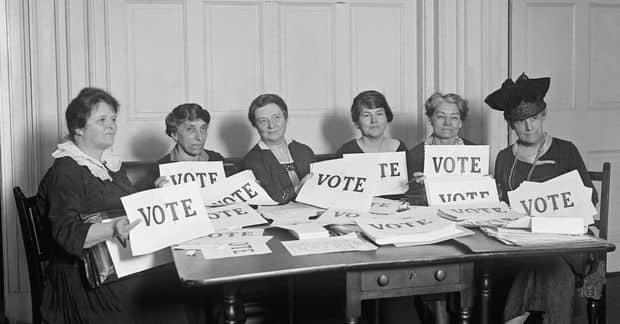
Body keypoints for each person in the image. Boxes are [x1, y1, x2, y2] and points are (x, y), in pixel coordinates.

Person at [36, 87, 202, 324]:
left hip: (115, 261)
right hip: (85, 277)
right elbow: (67, 233)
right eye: (102, 120)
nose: (111, 125)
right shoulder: (66, 171)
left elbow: (125, 206)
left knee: (176, 280)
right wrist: (113, 229)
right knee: (166, 296)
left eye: (113, 119)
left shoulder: (108, 165)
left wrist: (153, 193)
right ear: (79, 128)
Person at [485, 73, 597, 324]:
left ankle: (515, 317)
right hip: (522, 244)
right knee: (548, 266)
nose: (529, 126)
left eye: (534, 118)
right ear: (511, 124)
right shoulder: (505, 158)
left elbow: (591, 197)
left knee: (545, 260)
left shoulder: (565, 150)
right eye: (521, 120)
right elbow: (499, 204)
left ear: (543, 116)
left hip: (569, 242)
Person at [242, 93, 316, 204]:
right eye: (263, 121)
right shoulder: (252, 161)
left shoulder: (305, 151)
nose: (271, 125)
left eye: (276, 117)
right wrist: (297, 189)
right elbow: (267, 199)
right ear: (255, 125)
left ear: (285, 118)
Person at [406, 92, 476, 202]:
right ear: (430, 120)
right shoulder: (414, 156)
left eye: (454, 117)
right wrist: (419, 190)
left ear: (460, 122)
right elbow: (409, 199)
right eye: (441, 117)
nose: (447, 123)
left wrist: (486, 183)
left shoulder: (475, 152)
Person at [153, 103, 224, 187]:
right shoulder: (158, 170)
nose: (199, 137)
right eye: (190, 129)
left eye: (203, 128)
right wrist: (157, 195)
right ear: (174, 134)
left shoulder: (217, 160)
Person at [337, 90, 407, 154]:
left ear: (387, 117)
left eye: (379, 114)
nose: (374, 120)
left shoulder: (400, 148)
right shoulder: (346, 151)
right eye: (367, 115)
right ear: (357, 122)